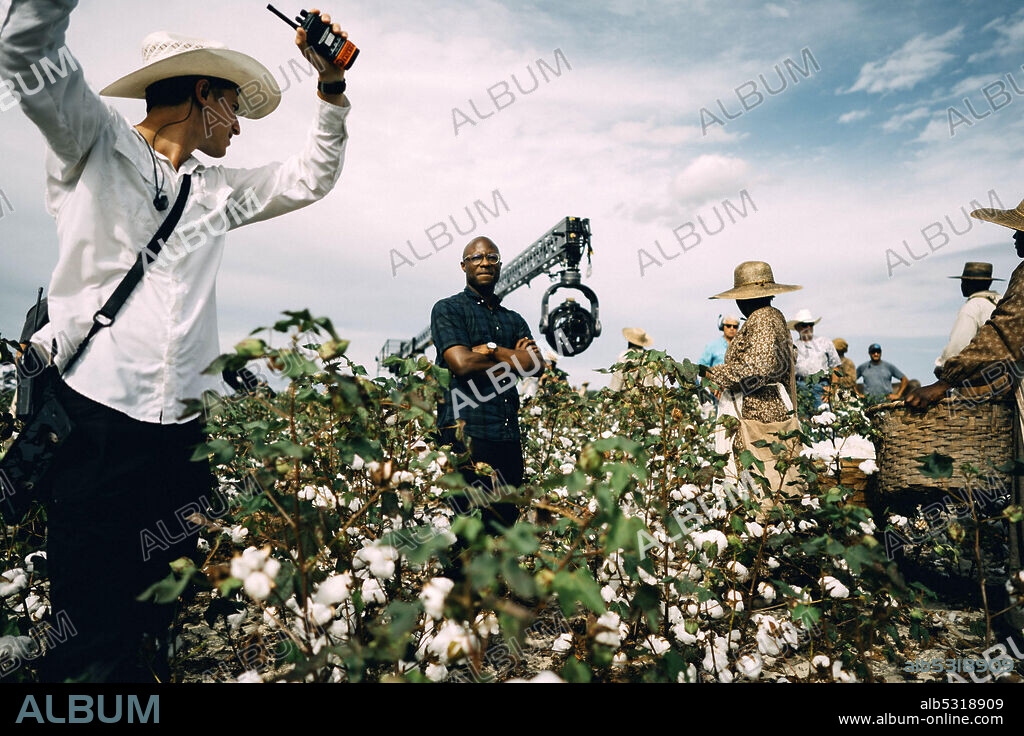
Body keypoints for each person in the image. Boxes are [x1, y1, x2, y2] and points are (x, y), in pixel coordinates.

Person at [1, 3, 352, 682]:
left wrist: (332, 89)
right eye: (232, 106)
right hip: (95, 425)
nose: (239, 125)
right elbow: (26, 48)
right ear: (203, 94)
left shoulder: (214, 192)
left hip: (181, 443)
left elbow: (310, 176)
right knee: (90, 633)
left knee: (159, 613)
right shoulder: (94, 142)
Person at [907, 201, 1024, 632]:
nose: (1014, 237)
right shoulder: (999, 292)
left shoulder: (1013, 283)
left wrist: (944, 381)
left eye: (1018, 230)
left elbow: (1000, 339)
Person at [430, 237, 544, 549]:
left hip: (506, 437)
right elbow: (461, 363)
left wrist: (491, 350)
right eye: (476, 257)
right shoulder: (448, 310)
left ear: (499, 265)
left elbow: (536, 365)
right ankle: (458, 595)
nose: (484, 262)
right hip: (466, 435)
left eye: (491, 257)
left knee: (502, 527)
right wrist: (512, 359)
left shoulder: (513, 319)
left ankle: (492, 594)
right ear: (463, 265)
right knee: (464, 531)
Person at [705, 261, 802, 500]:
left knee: (758, 469)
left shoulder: (762, 319)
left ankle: (760, 524)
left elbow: (760, 368)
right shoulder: (772, 317)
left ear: (744, 299)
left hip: (758, 407)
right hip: (769, 402)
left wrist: (713, 373)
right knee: (772, 466)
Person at [934, 262, 1003, 377]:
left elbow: (958, 346)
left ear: (968, 283)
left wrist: (942, 365)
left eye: (964, 281)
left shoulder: (972, 307)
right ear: (989, 282)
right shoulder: (1003, 301)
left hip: (984, 377)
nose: (962, 285)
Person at [787, 308, 840, 410]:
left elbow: (835, 367)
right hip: (800, 389)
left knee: (825, 420)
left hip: (821, 387)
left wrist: (833, 389)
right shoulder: (793, 347)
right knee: (803, 423)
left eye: (810, 324)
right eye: (804, 325)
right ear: (797, 327)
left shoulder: (825, 342)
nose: (808, 327)